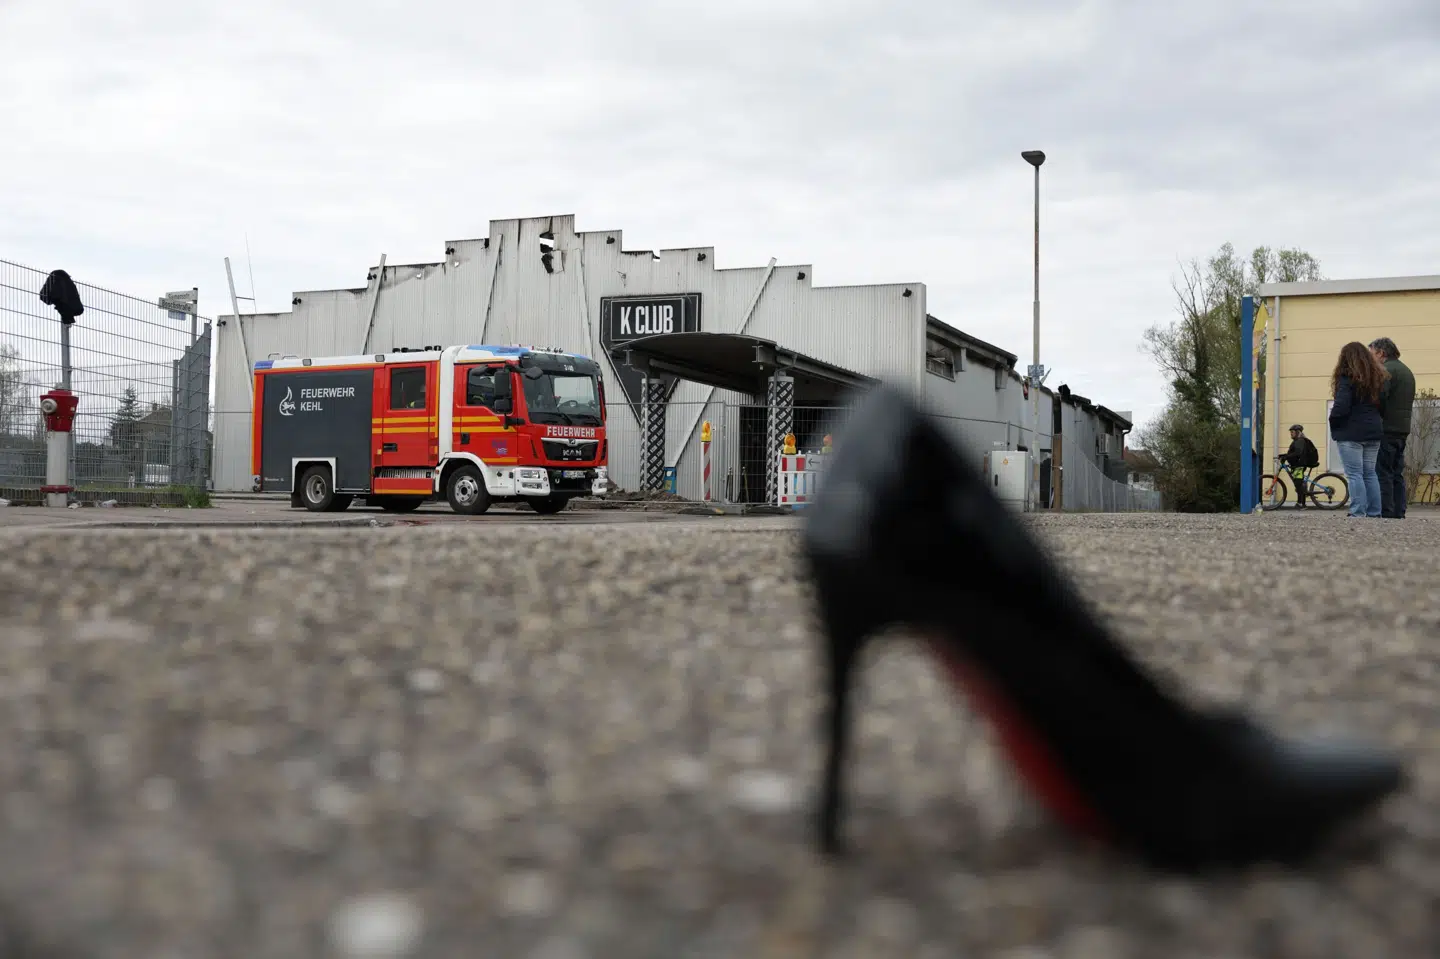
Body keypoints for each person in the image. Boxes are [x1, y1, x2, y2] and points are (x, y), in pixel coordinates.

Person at [1328, 341, 1387, 518]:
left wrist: (1333, 421)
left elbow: (1341, 406)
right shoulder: (1377, 378)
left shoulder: (1347, 378)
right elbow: (1383, 406)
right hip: (1373, 431)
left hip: (1351, 432)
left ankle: (1358, 512)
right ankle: (1374, 512)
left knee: (1355, 474)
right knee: (1370, 473)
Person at [1371, 337, 1415, 519]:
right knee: (1397, 473)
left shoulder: (1386, 370)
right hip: (1402, 428)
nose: (1371, 359)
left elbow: (1380, 398)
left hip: (1387, 428)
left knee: (1383, 472)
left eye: (1372, 354)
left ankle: (1386, 512)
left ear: (1381, 353)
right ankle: (1399, 511)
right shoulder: (1406, 371)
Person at [1278, 424, 1320, 508]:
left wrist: (1286, 457)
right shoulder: (1298, 441)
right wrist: (1284, 455)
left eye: (1292, 432)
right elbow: (1294, 453)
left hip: (1300, 465)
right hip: (1298, 464)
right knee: (1298, 483)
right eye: (1290, 432)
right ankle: (1300, 503)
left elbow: (1298, 453)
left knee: (1298, 483)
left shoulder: (1300, 441)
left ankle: (1301, 504)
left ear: (1297, 432)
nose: (1291, 434)